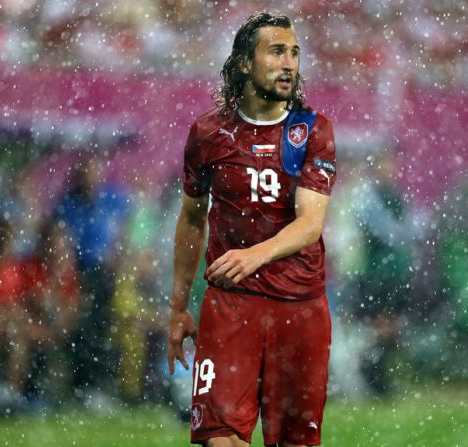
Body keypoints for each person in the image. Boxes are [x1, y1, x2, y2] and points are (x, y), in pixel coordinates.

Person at [166, 12, 337, 447]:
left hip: (299, 307)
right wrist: (179, 306)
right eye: (277, 51)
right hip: (231, 305)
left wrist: (254, 255)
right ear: (245, 62)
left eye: (294, 53)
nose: (289, 63)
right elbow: (191, 218)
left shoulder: (311, 131)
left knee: (295, 441)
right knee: (217, 436)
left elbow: (310, 223)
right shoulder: (208, 133)